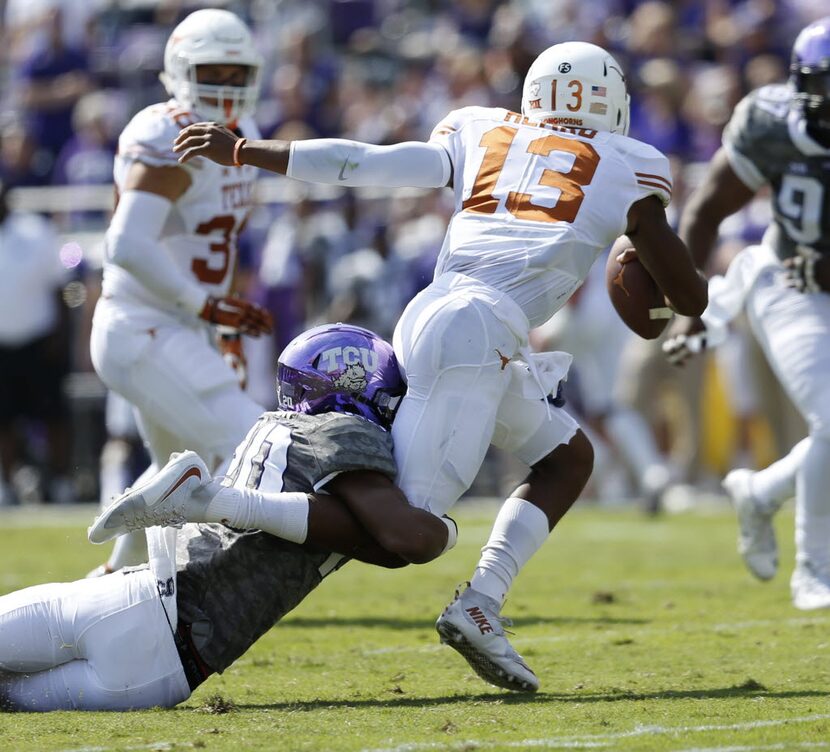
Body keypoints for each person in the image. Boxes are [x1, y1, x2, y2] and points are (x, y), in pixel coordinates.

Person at [173, 41, 707, 691]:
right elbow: (689, 296)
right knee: (409, 534)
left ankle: (481, 601)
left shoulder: (484, 127)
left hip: (442, 312)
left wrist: (245, 151)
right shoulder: (630, 164)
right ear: (611, 102)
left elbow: (363, 163)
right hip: (478, 333)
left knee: (568, 456)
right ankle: (215, 498)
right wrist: (641, 263)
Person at [0, 324, 456, 711]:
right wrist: (448, 528)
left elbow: (386, 546)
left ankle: (209, 499)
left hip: (137, 597)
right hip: (173, 663)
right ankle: (211, 500)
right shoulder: (342, 430)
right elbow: (409, 538)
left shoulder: (271, 427)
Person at [88, 9, 273, 574]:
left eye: (237, 73)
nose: (226, 86)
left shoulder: (247, 136)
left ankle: (116, 576)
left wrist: (219, 324)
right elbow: (126, 244)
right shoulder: (165, 130)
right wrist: (208, 306)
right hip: (143, 323)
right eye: (212, 70)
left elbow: (222, 241)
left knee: (180, 463)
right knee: (251, 449)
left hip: (179, 326)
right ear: (179, 71)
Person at [666, 16, 830, 611]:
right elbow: (707, 208)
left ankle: (760, 492)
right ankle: (815, 570)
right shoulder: (771, 123)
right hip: (790, 285)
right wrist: (691, 304)